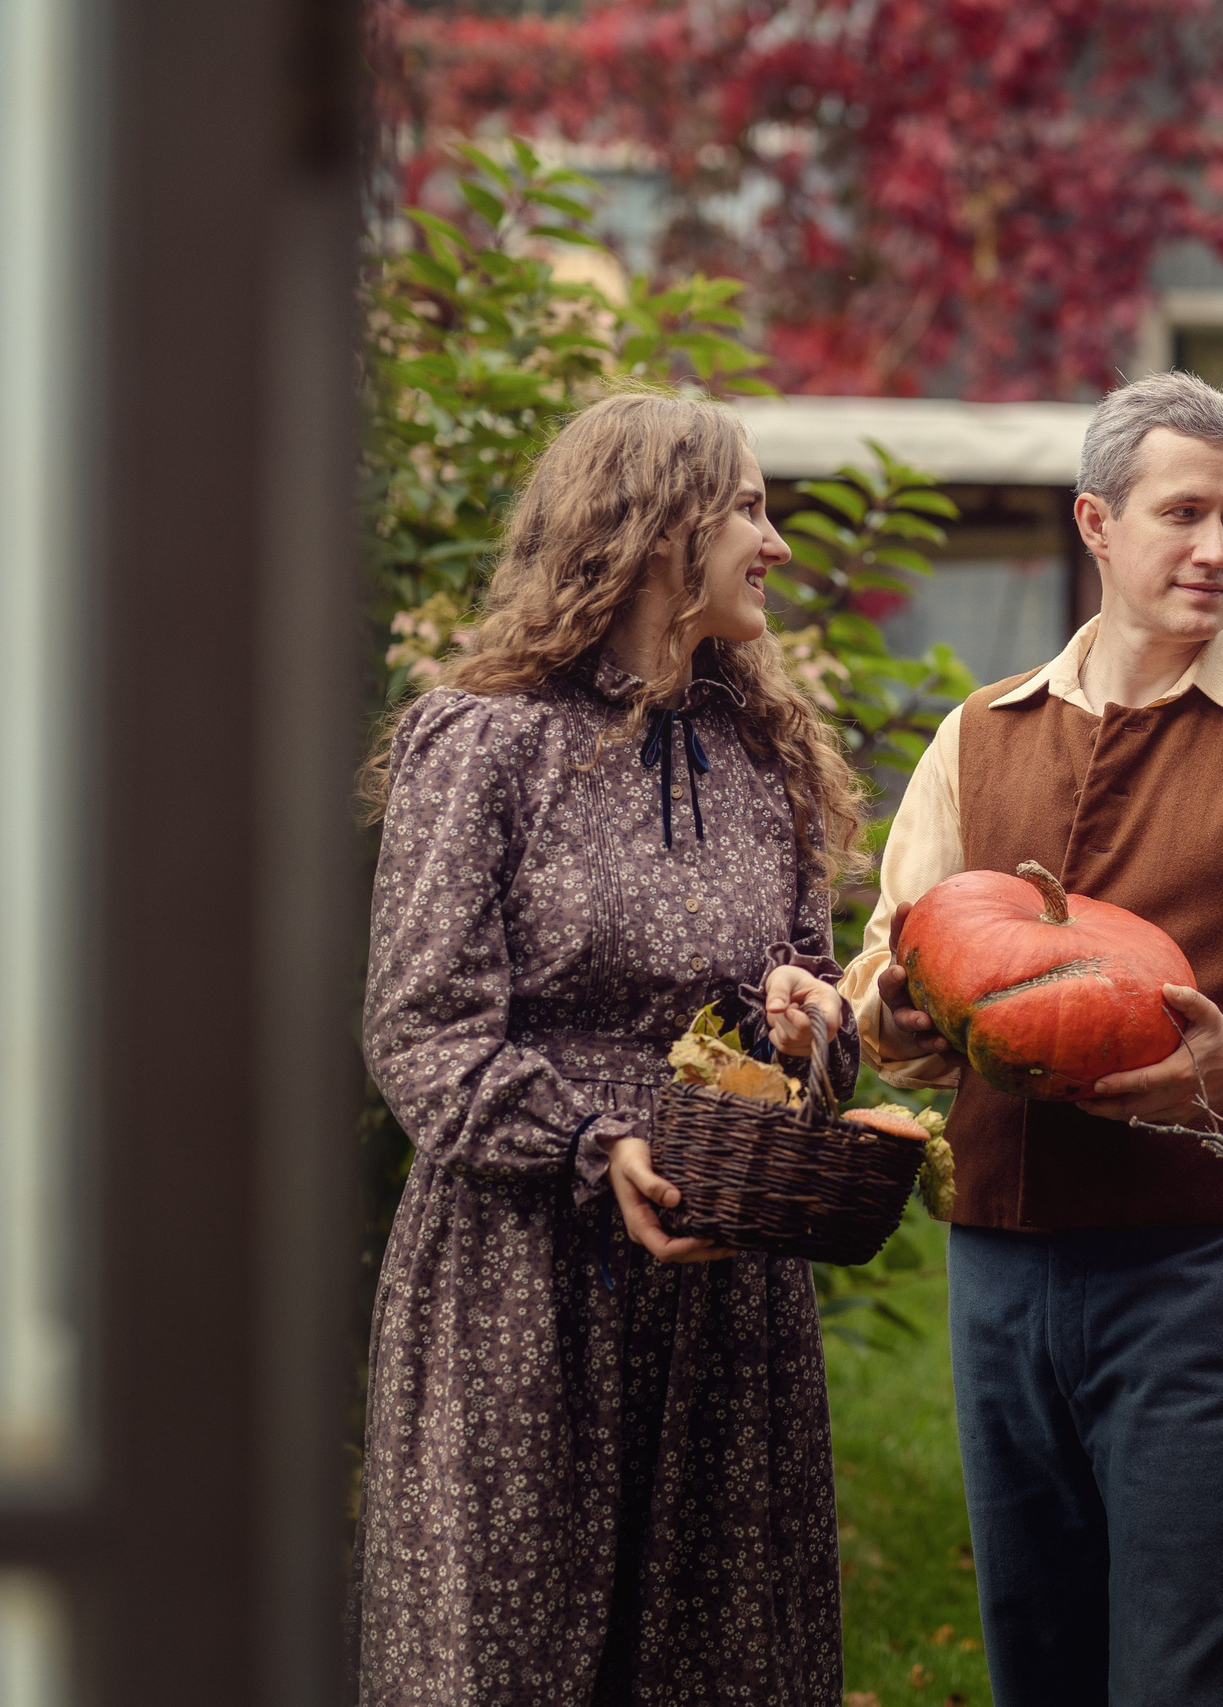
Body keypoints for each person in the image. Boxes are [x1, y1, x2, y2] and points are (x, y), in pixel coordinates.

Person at [841, 369, 1223, 1704]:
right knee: (1034, 1652)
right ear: (1098, 524)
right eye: (1184, 513)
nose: (1218, 549)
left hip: (1193, 1263)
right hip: (998, 1261)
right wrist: (894, 1007)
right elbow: (898, 982)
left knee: (1172, 1658)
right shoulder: (977, 736)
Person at [354, 390, 862, 1706]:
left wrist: (814, 1030)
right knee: (508, 1663)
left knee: (722, 1664)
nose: (780, 543)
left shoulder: (766, 754)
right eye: (751, 506)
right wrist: (594, 1145)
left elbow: (793, 1019)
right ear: (654, 534)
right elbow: (424, 1025)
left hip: (724, 1295)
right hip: (525, 1287)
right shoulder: (486, 743)